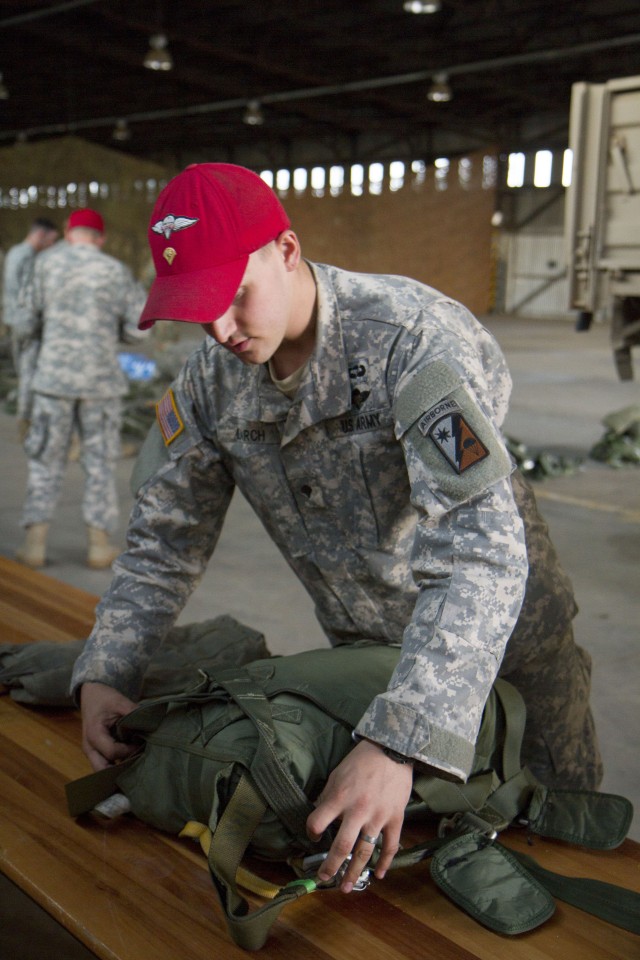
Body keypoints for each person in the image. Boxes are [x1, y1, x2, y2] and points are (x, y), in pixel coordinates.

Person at [72, 164, 602, 894]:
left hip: (507, 656)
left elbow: (481, 556)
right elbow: (163, 540)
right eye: (198, 310)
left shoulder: (411, 341)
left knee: (558, 871)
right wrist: (109, 668)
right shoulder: (212, 382)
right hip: (367, 669)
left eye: (234, 297)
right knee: (413, 895)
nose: (219, 330)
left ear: (286, 251)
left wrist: (401, 736)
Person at [16, 208, 149, 569]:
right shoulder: (115, 271)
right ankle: (98, 547)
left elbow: (24, 324)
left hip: (52, 383)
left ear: (68, 232)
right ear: (100, 238)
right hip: (100, 384)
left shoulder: (44, 265)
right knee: (100, 462)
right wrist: (110, 331)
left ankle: (35, 544)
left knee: (45, 461)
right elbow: (140, 328)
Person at [2, 217, 60, 438]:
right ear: (40, 234)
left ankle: (26, 419)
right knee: (30, 373)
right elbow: (32, 293)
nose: (52, 245)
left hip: (16, 320)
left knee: (25, 371)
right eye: (51, 240)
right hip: (26, 322)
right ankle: (26, 423)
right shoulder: (27, 257)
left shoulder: (16, 252)